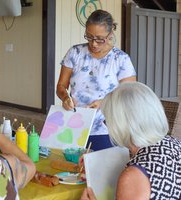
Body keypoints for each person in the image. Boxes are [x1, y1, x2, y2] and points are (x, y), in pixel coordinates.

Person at [80, 82, 181, 200]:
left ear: (120, 125)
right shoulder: (174, 144)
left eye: (107, 121)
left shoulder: (133, 176)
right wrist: (94, 165)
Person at [56, 9, 136, 151]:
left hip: (106, 130)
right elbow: (61, 86)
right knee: (69, 169)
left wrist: (104, 102)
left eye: (100, 39)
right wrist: (65, 98)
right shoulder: (75, 53)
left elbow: (128, 95)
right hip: (74, 125)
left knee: (101, 170)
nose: (93, 44)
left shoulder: (120, 59)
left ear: (111, 33)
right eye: (89, 37)